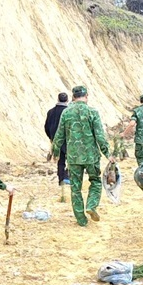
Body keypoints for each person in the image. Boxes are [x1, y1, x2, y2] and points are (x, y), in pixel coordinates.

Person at [51, 85, 110, 226]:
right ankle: (91, 205)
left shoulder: (66, 113)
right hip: (91, 156)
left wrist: (56, 152)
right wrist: (108, 153)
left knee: (75, 188)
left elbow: (59, 135)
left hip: (73, 157)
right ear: (87, 96)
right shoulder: (92, 112)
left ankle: (81, 220)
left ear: (73, 97)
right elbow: (100, 136)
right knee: (95, 182)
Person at [44, 92, 70, 194]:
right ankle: (67, 177)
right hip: (67, 140)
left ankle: (61, 180)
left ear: (58, 99)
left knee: (60, 161)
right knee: (71, 160)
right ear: (67, 100)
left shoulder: (51, 112)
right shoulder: (68, 112)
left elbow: (46, 126)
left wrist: (51, 138)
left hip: (55, 140)